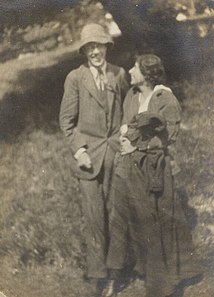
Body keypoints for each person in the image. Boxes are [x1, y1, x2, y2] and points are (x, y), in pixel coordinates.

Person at [106, 54, 202, 296]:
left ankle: (167, 281)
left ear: (147, 74)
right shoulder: (132, 96)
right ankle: (142, 271)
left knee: (160, 221)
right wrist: (126, 140)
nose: (129, 71)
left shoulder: (164, 98)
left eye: (134, 68)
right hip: (131, 168)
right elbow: (125, 127)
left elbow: (168, 135)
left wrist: (137, 146)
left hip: (156, 169)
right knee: (133, 220)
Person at [59, 23, 128, 296]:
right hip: (87, 161)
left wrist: (125, 137)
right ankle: (97, 275)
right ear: (84, 51)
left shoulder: (118, 74)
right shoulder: (75, 79)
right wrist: (79, 150)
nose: (95, 52)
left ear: (106, 47)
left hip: (115, 156)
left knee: (116, 216)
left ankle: (115, 274)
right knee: (94, 218)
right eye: (89, 47)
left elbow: (127, 110)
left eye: (99, 45)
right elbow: (66, 121)